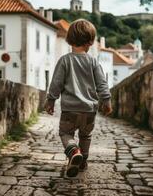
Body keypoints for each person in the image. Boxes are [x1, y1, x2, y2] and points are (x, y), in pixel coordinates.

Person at [45, 19, 112, 177]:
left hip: (70, 110)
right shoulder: (93, 62)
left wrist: (50, 100)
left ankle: (74, 152)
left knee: (65, 134)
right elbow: (102, 84)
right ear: (90, 42)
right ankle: (82, 161)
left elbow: (56, 84)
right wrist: (107, 102)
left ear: (69, 39)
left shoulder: (64, 61)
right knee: (85, 135)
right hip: (89, 111)